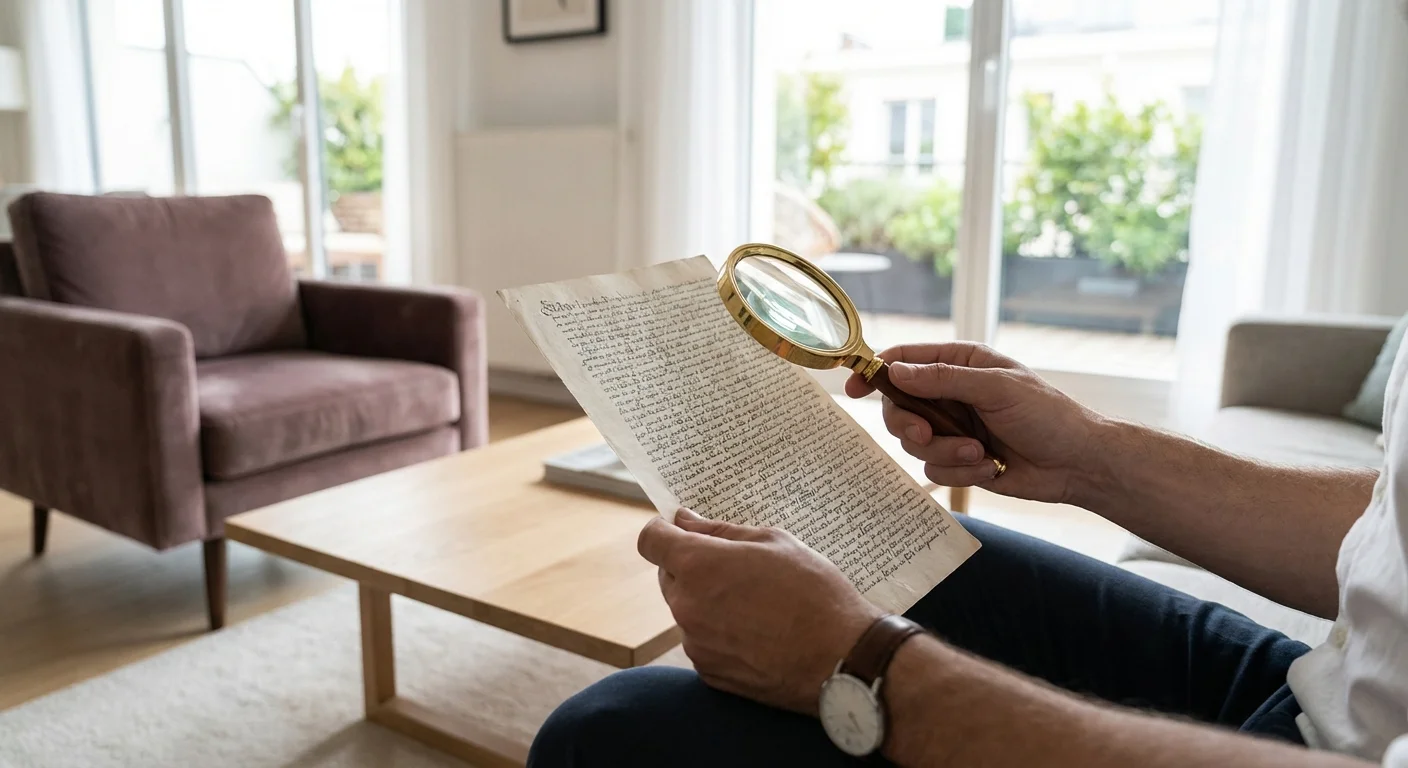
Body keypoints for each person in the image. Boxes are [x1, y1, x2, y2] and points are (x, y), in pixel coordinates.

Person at [528, 341, 1408, 767]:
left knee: (605, 735)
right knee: (931, 554)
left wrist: (866, 664)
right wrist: (1089, 454)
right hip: (1337, 682)